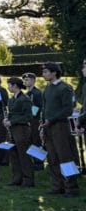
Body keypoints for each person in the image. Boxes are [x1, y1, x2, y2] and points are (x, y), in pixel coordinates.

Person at [40, 62, 79, 197]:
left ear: (54, 72)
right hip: (48, 126)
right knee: (52, 157)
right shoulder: (47, 89)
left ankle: (71, 187)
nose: (43, 74)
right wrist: (44, 121)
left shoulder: (64, 88)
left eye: (46, 72)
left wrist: (52, 119)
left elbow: (67, 109)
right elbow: (45, 108)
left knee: (66, 158)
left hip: (60, 126)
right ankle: (58, 186)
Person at [4, 77, 34, 187]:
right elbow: (10, 113)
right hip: (12, 129)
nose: (8, 87)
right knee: (14, 154)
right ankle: (16, 178)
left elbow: (28, 116)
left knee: (24, 155)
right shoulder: (11, 99)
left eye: (9, 85)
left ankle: (28, 180)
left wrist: (12, 122)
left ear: (15, 86)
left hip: (22, 129)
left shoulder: (25, 99)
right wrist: (6, 119)